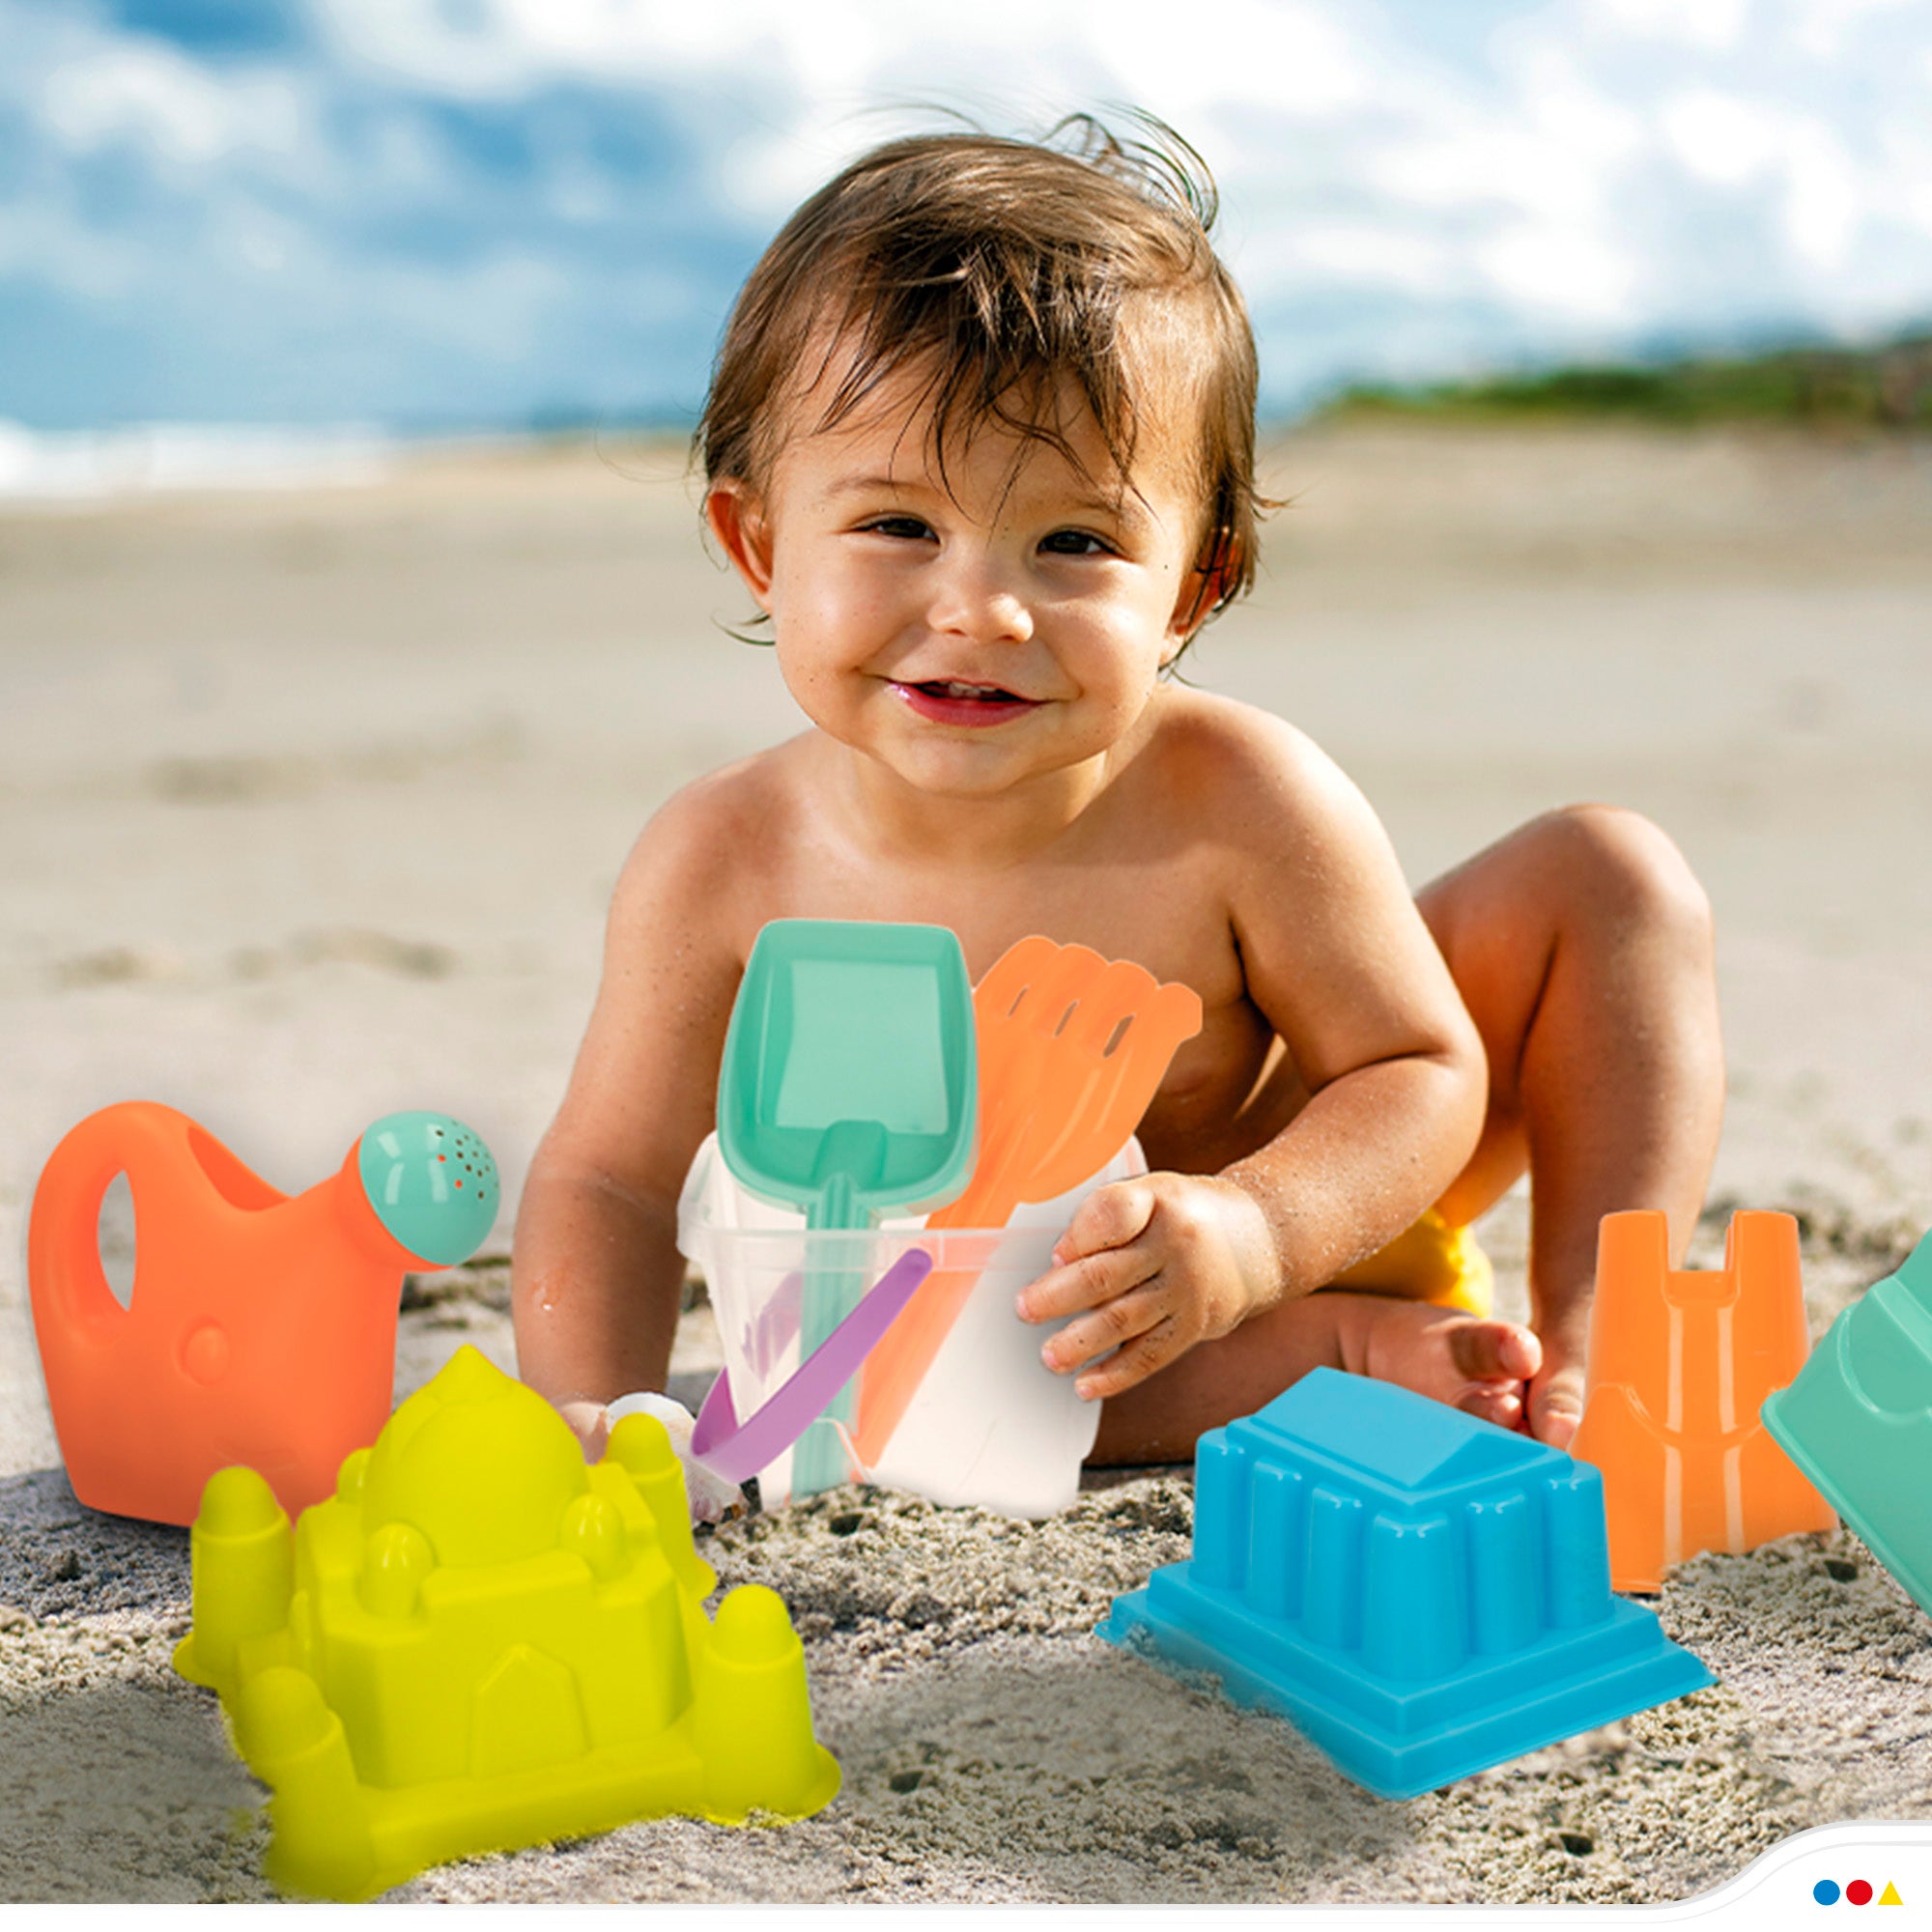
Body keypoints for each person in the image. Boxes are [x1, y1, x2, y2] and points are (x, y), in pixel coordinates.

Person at [511, 116, 1724, 1478]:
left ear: (1191, 589)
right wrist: (598, 1414)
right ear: (759, 544)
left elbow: (1418, 1069)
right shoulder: (724, 857)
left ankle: (1600, 1346)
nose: (982, 611)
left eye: (1075, 542)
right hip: (1012, 1337)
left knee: (1608, 872)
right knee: (917, 1409)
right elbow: (608, 1180)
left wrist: (1259, 1228)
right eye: (899, 526)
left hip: (1299, 1200)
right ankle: (1347, 1358)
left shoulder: (1234, 797)